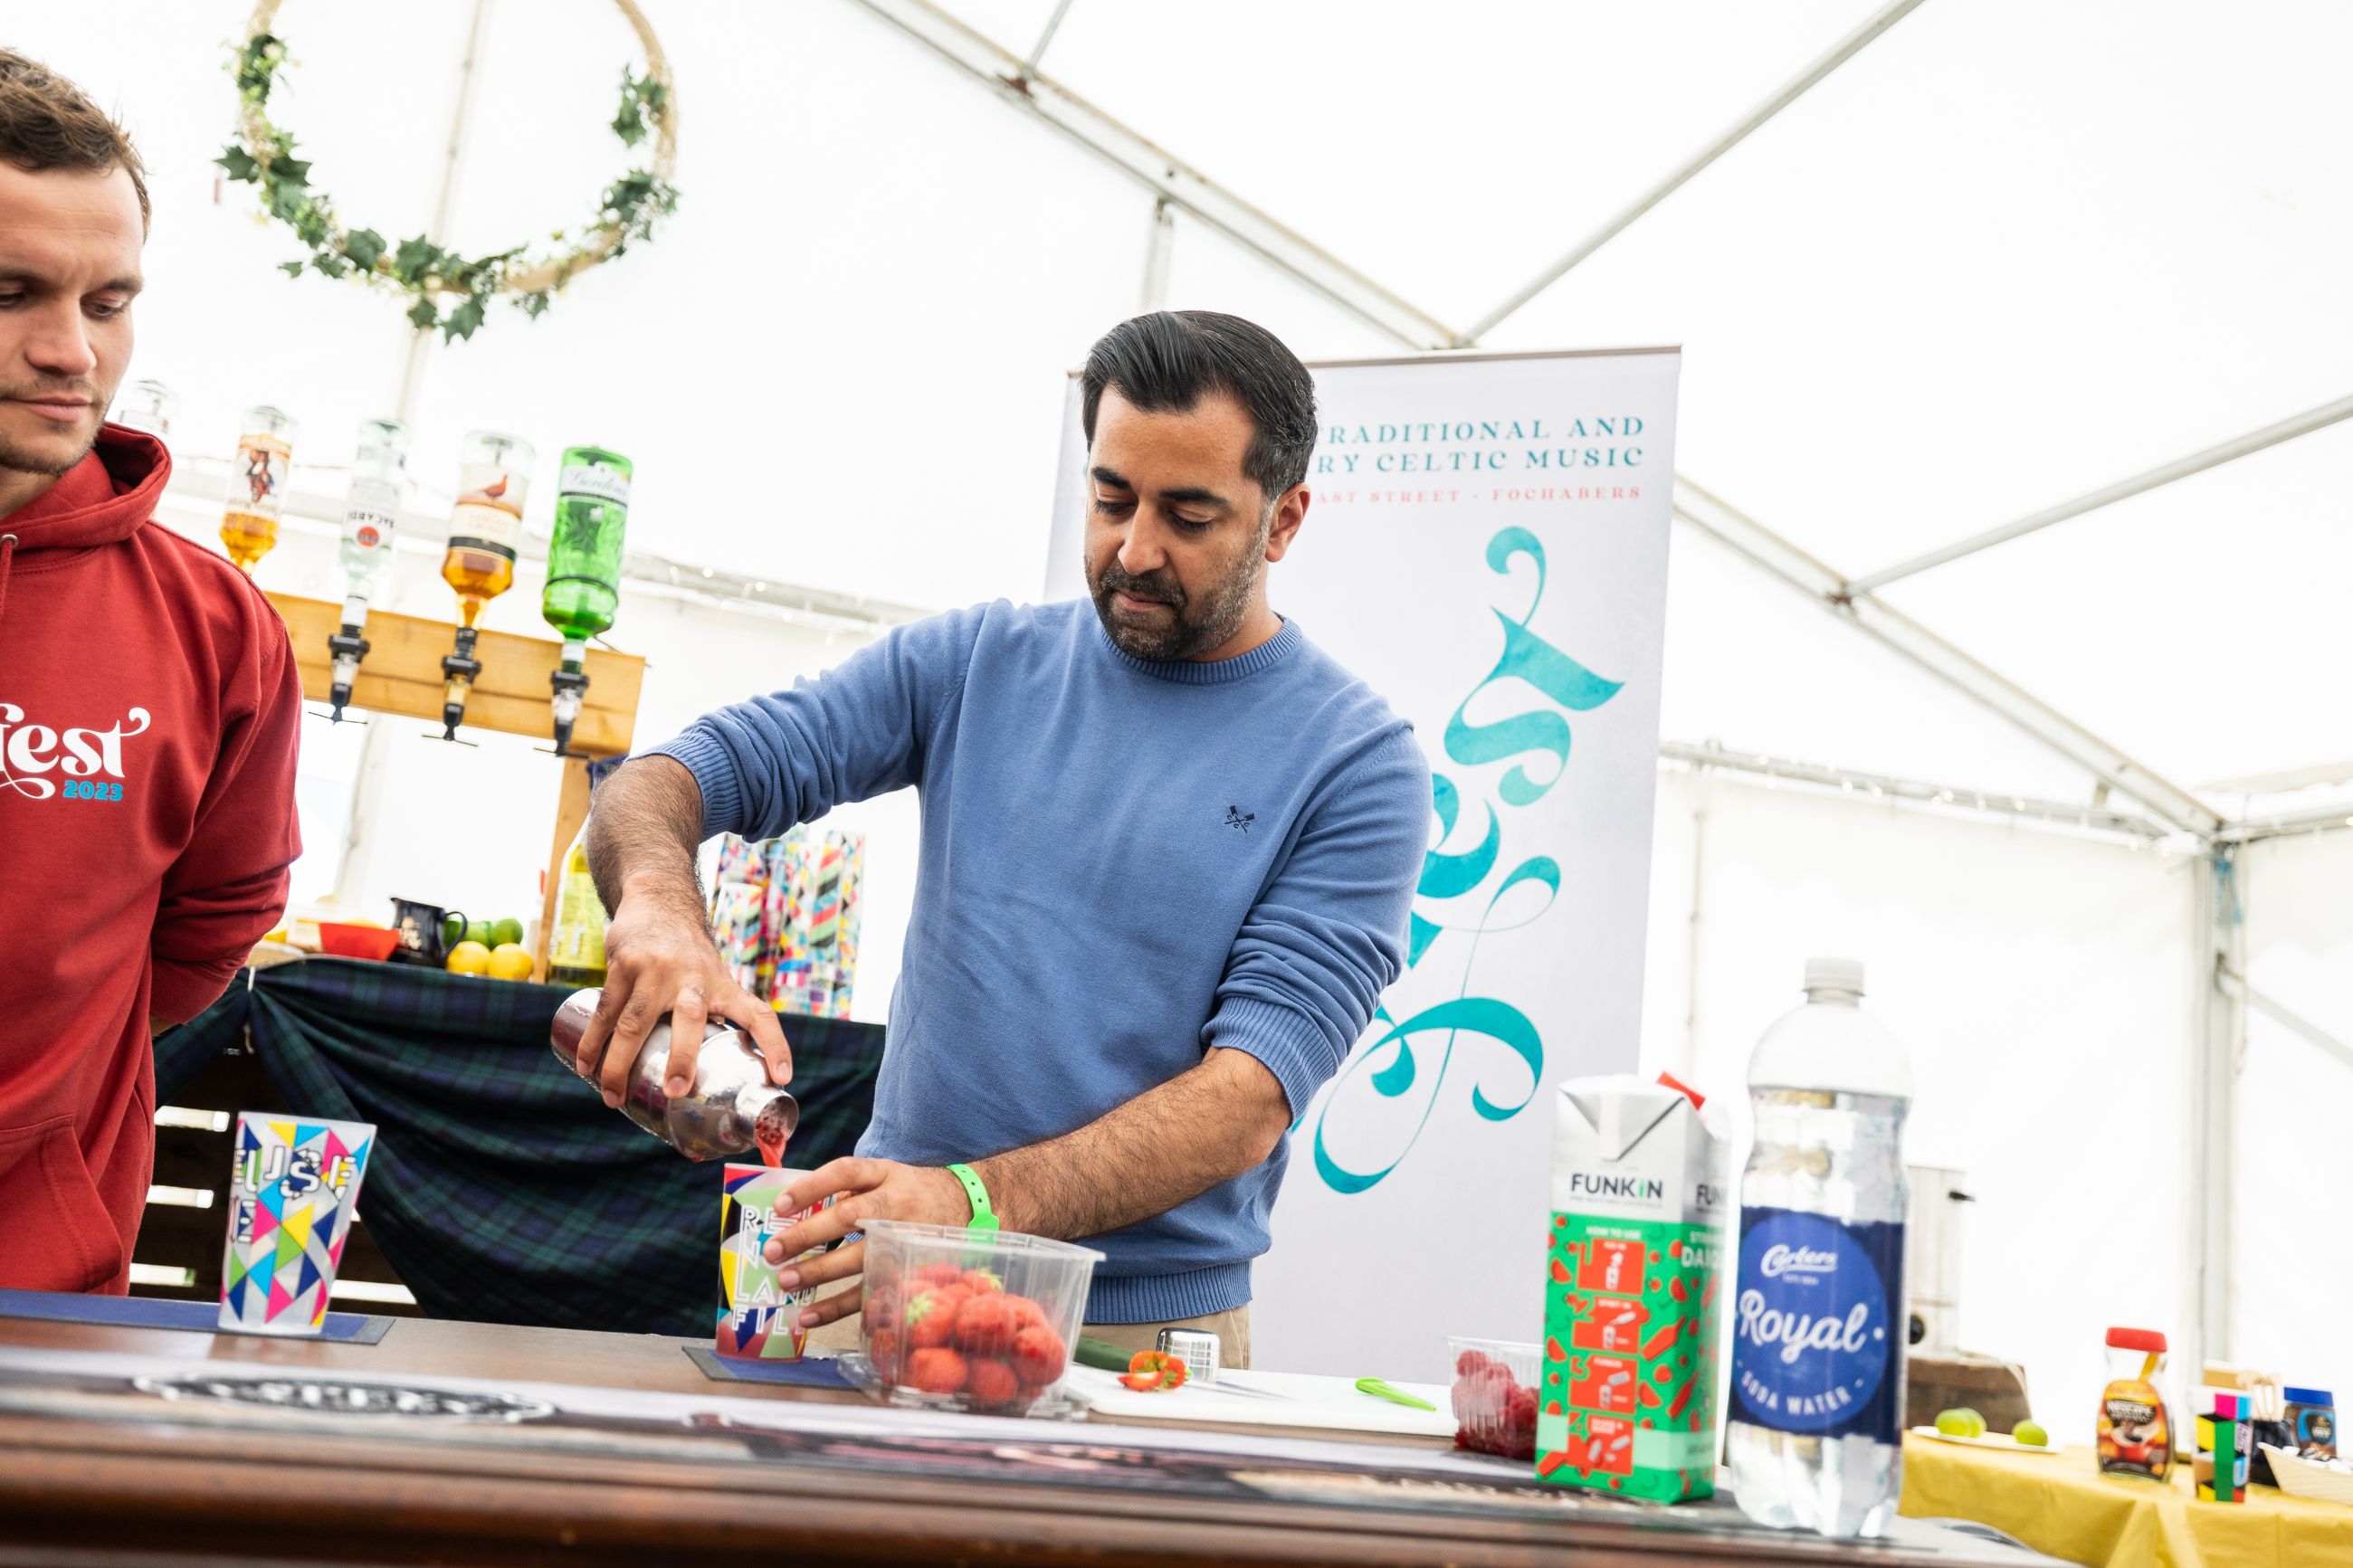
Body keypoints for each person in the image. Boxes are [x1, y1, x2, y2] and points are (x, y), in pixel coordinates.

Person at [576, 311, 1427, 1366]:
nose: (1134, 548)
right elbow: (664, 780)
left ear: (1284, 519)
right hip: (879, 1276)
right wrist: (660, 902)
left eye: (1190, 514)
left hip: (1137, 1332)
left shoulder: (1355, 762)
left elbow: (1245, 1099)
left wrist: (969, 1200)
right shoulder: (977, 660)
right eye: (1111, 497)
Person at [0, 52, 303, 1292]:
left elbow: (212, 931)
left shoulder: (215, 628)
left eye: (108, 301)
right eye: (13, 290)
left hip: (33, 1305)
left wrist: (51, 1132)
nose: (71, 350)